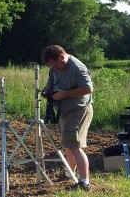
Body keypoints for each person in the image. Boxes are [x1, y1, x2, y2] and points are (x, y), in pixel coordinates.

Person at [41, 45, 93, 191]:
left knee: (75, 146)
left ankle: (84, 183)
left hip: (78, 110)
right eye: (51, 65)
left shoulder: (77, 67)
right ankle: (70, 174)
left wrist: (65, 94)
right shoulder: (54, 67)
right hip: (65, 111)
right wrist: (47, 91)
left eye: (55, 64)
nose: (54, 68)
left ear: (62, 57)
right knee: (69, 144)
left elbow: (88, 88)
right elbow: (51, 82)